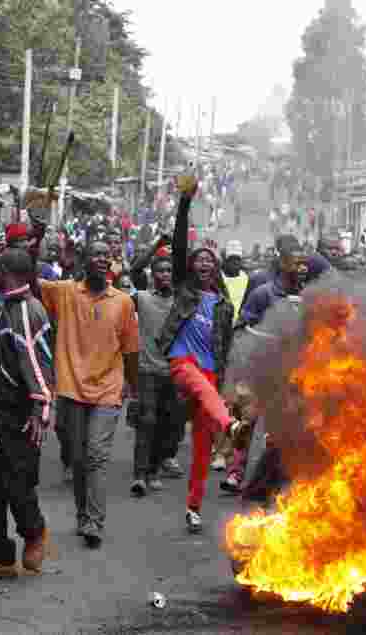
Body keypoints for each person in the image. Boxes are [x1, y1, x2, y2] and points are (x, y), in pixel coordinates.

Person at [37, 235, 139, 549]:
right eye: (96, 254)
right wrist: (36, 238)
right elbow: (28, 281)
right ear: (84, 260)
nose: (102, 260)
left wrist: (131, 386)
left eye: (106, 255)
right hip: (70, 389)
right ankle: (83, 514)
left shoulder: (123, 301)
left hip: (108, 390)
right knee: (78, 459)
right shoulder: (65, 292)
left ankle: (95, 521)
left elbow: (131, 350)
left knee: (96, 456)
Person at [0, 248, 55, 580]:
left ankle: (34, 533)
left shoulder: (24, 310)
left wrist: (40, 407)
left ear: (5, 270)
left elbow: (35, 362)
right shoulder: (7, 306)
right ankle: (1, 558)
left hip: (19, 414)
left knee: (17, 485)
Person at [159, 176, 239, 533]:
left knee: (203, 449)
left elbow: (226, 348)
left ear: (216, 268)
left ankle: (193, 507)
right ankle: (230, 425)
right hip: (182, 364)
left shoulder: (222, 305)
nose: (204, 263)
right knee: (203, 392)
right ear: (192, 267)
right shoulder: (185, 289)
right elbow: (178, 246)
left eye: (210, 260)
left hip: (208, 373)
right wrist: (184, 204)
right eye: (199, 259)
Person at [128, 240, 185, 494]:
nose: (164, 275)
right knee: (146, 421)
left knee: (167, 423)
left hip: (174, 371)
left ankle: (153, 470)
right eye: (160, 271)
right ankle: (140, 474)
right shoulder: (142, 298)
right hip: (147, 370)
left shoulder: (182, 301)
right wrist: (157, 244)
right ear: (153, 275)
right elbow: (135, 271)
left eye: (169, 271)